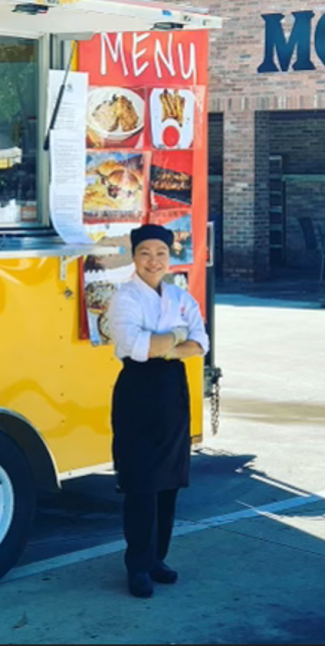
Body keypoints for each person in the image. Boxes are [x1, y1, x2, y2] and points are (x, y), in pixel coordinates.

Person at [106, 223, 209, 598]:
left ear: (171, 257)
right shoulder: (124, 298)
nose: (154, 260)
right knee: (141, 482)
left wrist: (166, 345)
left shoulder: (181, 296)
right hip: (138, 391)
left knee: (168, 481)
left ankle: (156, 559)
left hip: (172, 392)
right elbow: (136, 346)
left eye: (161, 253)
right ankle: (137, 566)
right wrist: (176, 337)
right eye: (146, 253)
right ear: (134, 257)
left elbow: (202, 343)